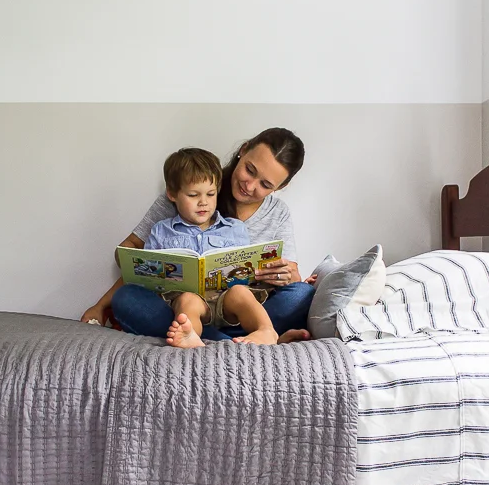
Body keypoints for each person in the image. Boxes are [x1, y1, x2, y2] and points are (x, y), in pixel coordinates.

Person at [81, 127, 315, 341]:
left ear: (280, 187)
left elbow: (290, 278)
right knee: (127, 298)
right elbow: (135, 256)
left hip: (236, 306)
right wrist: (101, 305)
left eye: (265, 184)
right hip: (184, 307)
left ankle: (240, 335)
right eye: (249, 170)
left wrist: (285, 275)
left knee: (301, 294)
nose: (250, 186)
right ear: (243, 152)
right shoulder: (191, 186)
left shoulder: (277, 213)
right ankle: (239, 341)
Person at [143, 147, 278, 348]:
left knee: (241, 292)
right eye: (193, 195)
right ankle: (191, 336)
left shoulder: (235, 229)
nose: (203, 202)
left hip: (227, 299)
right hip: (189, 300)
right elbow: (148, 275)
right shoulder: (161, 231)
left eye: (211, 194)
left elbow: (247, 268)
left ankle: (267, 331)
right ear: (172, 194)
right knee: (187, 300)